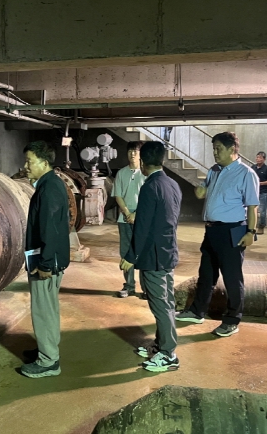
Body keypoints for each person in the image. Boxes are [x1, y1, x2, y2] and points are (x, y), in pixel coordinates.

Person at [175, 132, 259, 338]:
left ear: (232, 149)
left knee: (232, 278)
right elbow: (202, 192)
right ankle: (197, 312)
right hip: (212, 229)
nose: (214, 152)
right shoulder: (214, 170)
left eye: (218, 148)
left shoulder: (246, 174)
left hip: (232, 230)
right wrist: (201, 190)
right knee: (206, 274)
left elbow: (253, 206)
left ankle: (232, 320)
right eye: (213, 148)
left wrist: (251, 232)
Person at [120, 141, 182, 373]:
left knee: (160, 305)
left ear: (143, 163)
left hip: (154, 256)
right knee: (167, 301)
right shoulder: (172, 184)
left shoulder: (150, 187)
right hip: (168, 251)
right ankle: (160, 344)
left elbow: (142, 225)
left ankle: (168, 354)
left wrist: (131, 255)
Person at [20, 141, 70, 378]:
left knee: (43, 310)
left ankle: (48, 361)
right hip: (49, 258)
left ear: (43, 162)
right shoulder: (49, 184)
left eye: (29, 161)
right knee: (48, 307)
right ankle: (46, 348)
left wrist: (46, 263)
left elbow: (50, 229)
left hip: (47, 260)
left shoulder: (49, 189)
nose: (25, 166)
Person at [112, 140, 146, 298]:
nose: (132, 154)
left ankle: (146, 288)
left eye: (136, 151)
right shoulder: (121, 173)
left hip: (143, 218)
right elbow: (118, 195)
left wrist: (136, 214)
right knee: (126, 252)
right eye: (130, 151)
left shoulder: (146, 173)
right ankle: (129, 286)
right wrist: (127, 213)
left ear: (141, 154)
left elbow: (149, 198)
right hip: (124, 219)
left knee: (143, 252)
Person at [251, 151, 267, 235]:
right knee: (251, 209)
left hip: (263, 193)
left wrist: (261, 183)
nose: (258, 159)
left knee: (262, 211)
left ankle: (261, 226)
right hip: (254, 192)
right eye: (257, 157)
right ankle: (252, 227)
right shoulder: (253, 167)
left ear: (264, 159)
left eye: (260, 158)